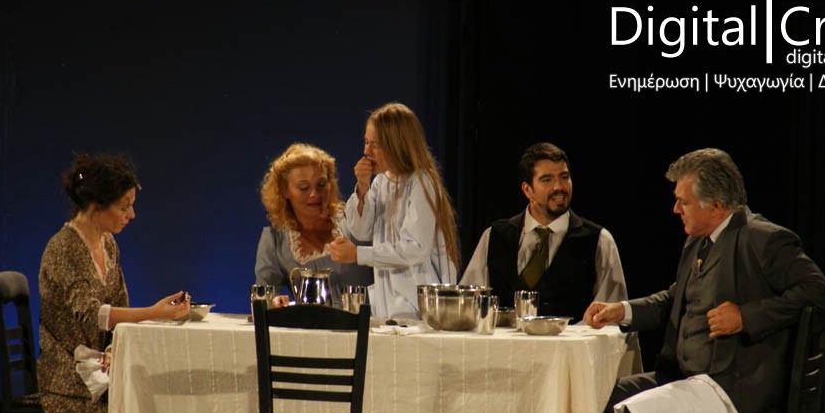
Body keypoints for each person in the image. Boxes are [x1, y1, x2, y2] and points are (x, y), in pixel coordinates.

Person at [578, 147, 825, 413]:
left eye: (684, 201)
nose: (675, 208)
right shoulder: (698, 242)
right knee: (599, 401)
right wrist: (621, 311)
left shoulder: (764, 239)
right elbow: (674, 300)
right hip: (686, 377)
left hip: (732, 385)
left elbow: (818, 293)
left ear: (715, 205)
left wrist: (746, 316)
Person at [38, 153, 190, 413]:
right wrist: (154, 313)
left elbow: (118, 305)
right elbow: (91, 313)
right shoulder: (64, 249)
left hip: (100, 362)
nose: (131, 215)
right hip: (67, 374)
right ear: (95, 206)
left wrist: (113, 348)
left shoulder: (108, 244)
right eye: (123, 207)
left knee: (156, 399)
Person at [459, 142, 628, 316]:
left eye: (564, 177)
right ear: (527, 190)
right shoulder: (494, 237)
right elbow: (467, 306)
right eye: (547, 180)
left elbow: (610, 319)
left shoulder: (599, 241)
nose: (559, 187)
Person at [328, 102, 459, 319]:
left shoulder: (421, 182)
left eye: (375, 145)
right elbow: (361, 231)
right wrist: (362, 187)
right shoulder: (381, 182)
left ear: (397, 144)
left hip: (419, 305)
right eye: (366, 142)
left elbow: (415, 248)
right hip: (388, 302)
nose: (366, 152)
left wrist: (358, 254)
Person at [254, 142, 373, 307]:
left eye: (321, 185)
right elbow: (265, 294)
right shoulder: (275, 240)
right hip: (310, 323)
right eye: (303, 188)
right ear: (284, 191)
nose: (314, 194)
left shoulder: (354, 220)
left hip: (373, 321)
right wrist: (276, 302)